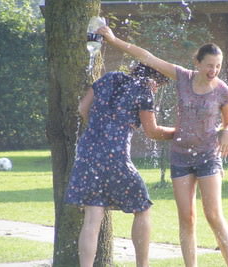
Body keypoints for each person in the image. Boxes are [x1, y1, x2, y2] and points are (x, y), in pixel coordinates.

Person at [97, 26, 228, 267]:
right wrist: (113, 40)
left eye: (217, 66)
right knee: (187, 217)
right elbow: (146, 57)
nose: (213, 70)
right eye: (209, 65)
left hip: (208, 156)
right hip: (181, 157)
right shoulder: (183, 76)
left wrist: (227, 132)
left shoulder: (224, 92)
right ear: (197, 62)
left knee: (213, 215)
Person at [65, 63, 175, 267]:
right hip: (115, 155)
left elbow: (82, 108)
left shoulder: (109, 77)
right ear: (154, 78)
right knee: (142, 207)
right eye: (159, 84)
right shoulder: (144, 90)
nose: (156, 89)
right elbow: (152, 132)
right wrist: (180, 132)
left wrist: (101, 128)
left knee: (92, 216)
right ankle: (143, 265)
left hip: (87, 151)